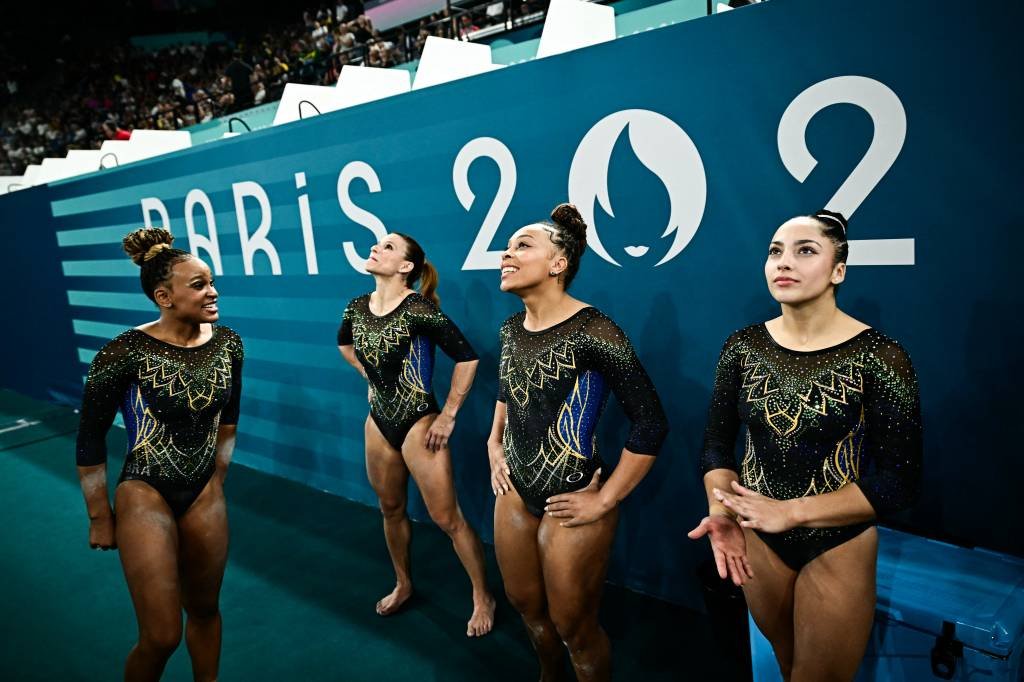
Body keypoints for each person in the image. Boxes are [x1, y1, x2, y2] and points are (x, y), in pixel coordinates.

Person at [689, 210, 922, 681]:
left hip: (836, 543)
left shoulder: (880, 356)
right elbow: (716, 445)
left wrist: (792, 511)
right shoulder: (743, 347)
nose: (784, 262)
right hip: (758, 539)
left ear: (838, 271)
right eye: (776, 251)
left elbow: (898, 482)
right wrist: (723, 510)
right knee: (787, 664)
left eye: (805, 251)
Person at [487, 203, 669, 681]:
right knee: (525, 606)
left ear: (558, 263)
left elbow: (650, 421)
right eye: (506, 247)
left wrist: (605, 499)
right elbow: (508, 390)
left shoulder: (595, 331)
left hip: (572, 496)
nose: (506, 254)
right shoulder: (510, 328)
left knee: (575, 628)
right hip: (514, 492)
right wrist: (493, 443)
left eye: (521, 245)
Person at [76, 228, 243, 682]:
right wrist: (99, 516)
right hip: (145, 492)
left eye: (211, 281)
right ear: (164, 297)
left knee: (206, 611)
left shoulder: (228, 343)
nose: (213, 291)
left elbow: (229, 418)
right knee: (162, 635)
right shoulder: (123, 352)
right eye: (200, 285)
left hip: (205, 493)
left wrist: (217, 479)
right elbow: (89, 439)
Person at [337, 233, 496, 636]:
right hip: (378, 421)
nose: (376, 248)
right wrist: (369, 377)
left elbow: (468, 357)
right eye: (378, 244)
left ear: (406, 267)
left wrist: (448, 416)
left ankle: (483, 596)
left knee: (447, 518)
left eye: (388, 247)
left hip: (418, 422)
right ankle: (404, 583)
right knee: (390, 508)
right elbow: (344, 345)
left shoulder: (419, 309)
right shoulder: (357, 307)